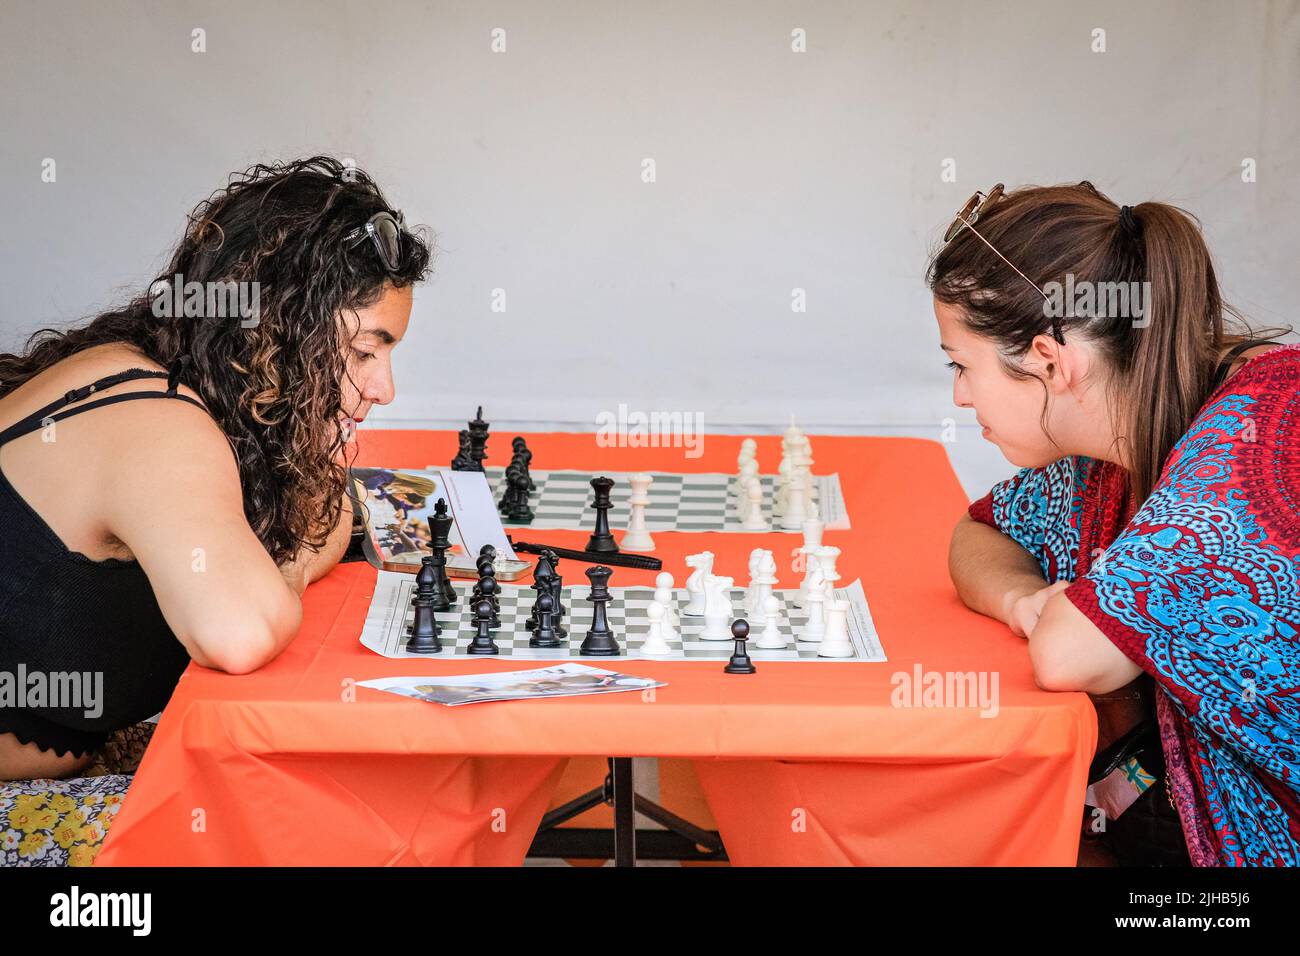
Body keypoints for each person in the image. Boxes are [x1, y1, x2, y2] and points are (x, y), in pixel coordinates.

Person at [0, 156, 431, 783]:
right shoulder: (159, 425)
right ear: (277, 328)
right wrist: (299, 557)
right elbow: (240, 632)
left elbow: (329, 505)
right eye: (364, 351)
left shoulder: (151, 373)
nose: (383, 388)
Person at [934, 181, 1298, 866]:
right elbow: (978, 532)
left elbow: (1072, 655)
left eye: (962, 364)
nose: (957, 394)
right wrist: (1021, 599)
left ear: (1050, 361)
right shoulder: (1116, 433)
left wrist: (1056, 617)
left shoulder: (1263, 431)